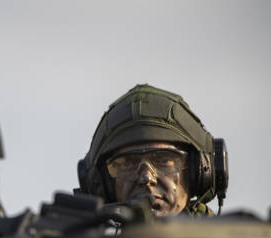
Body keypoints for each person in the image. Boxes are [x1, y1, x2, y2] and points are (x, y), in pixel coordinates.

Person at [77, 84, 228, 217]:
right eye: (127, 163)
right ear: (101, 183)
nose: (146, 178)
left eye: (164, 160)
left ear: (200, 171)